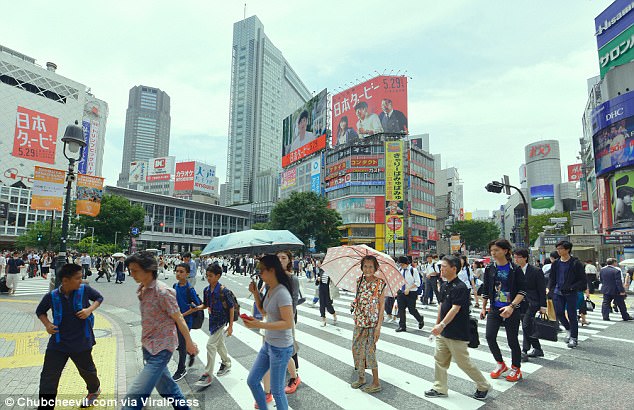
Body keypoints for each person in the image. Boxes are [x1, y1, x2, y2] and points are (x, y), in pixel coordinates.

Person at [122, 251, 198, 410]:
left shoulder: (163, 291)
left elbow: (179, 318)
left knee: (135, 396)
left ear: (148, 270)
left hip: (162, 348)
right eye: (130, 270)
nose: (131, 274)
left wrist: (189, 343)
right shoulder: (141, 290)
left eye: (135, 270)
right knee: (168, 390)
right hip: (148, 346)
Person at [36, 263, 103, 409]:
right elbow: (40, 311)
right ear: (65, 281)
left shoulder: (84, 290)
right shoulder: (52, 296)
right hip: (58, 343)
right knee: (49, 377)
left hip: (81, 341)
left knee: (88, 371)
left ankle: (94, 390)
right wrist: (47, 324)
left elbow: (99, 298)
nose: (81, 280)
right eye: (78, 278)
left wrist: (89, 310)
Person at [425, 255, 491, 401]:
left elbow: (455, 309)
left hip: (457, 332)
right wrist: (437, 325)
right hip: (443, 331)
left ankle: (483, 385)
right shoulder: (444, 284)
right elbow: (441, 306)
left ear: (454, 269)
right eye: (440, 267)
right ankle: (439, 387)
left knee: (463, 362)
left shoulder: (461, 287)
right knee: (440, 360)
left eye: (444, 267)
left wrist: (441, 325)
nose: (440, 269)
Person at [246, 255, 295, 410]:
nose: (259, 273)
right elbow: (264, 311)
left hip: (280, 348)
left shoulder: (282, 292)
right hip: (268, 344)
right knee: (252, 380)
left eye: (261, 270)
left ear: (271, 270)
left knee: (277, 390)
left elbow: (288, 323)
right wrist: (255, 293)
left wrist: (259, 324)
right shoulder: (270, 288)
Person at [480, 239, 526, 382]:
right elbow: (487, 289)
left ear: (505, 251)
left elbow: (522, 291)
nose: (493, 253)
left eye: (496, 250)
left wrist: (511, 306)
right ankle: (500, 364)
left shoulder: (515, 269)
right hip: (495, 307)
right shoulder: (490, 268)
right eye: (492, 250)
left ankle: (516, 368)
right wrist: (483, 307)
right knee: (489, 336)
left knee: (512, 340)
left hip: (512, 309)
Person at [193, 263, 234, 387]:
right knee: (219, 344)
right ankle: (226, 363)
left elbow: (231, 308)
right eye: (207, 276)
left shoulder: (223, 290)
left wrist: (231, 326)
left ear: (218, 276)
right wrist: (196, 308)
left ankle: (208, 374)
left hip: (221, 321)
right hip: (212, 321)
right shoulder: (206, 290)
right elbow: (206, 305)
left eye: (210, 276)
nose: (208, 278)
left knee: (210, 345)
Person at [350, 255, 386, 393]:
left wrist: (378, 327)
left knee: (370, 351)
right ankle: (361, 377)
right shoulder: (359, 281)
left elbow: (382, 305)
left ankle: (376, 382)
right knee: (356, 349)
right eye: (365, 266)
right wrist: (354, 303)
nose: (368, 269)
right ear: (361, 267)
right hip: (359, 321)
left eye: (371, 266)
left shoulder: (380, 283)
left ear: (376, 268)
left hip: (372, 323)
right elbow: (358, 298)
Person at [546, 240, 587, 348]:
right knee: (559, 313)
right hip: (557, 292)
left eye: (561, 249)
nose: (558, 251)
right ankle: (568, 329)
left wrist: (572, 287)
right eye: (557, 249)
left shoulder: (576, 263)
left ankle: (574, 338)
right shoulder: (556, 263)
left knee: (572, 315)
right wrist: (549, 288)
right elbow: (552, 278)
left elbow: (582, 279)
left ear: (567, 249)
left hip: (571, 292)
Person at [513, 248, 547, 362]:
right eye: (515, 257)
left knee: (526, 325)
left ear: (525, 258)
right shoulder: (514, 271)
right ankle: (537, 348)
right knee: (528, 326)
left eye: (519, 257)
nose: (516, 259)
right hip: (519, 302)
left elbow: (541, 289)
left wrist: (543, 305)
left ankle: (524, 350)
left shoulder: (535, 271)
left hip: (532, 302)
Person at [172, 263, 202, 381]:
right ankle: (193, 351)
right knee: (181, 343)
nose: (178, 274)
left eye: (181, 272)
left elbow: (197, 306)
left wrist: (182, 315)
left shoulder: (190, 289)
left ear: (187, 274)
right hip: (177, 319)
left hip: (186, 321)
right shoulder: (175, 286)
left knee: (182, 345)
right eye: (177, 271)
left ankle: (181, 369)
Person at [277, 251, 301, 394]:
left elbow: (294, 300)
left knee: (288, 342)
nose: (280, 260)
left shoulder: (292, 278)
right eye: (278, 258)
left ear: (289, 261)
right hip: (274, 316)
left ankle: (294, 375)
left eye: (284, 258)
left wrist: (288, 319)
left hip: (287, 317)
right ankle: (291, 369)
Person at [395, 256, 425, 332]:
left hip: (411, 293)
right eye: (400, 264)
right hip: (401, 293)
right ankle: (402, 326)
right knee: (401, 309)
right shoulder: (400, 270)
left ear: (406, 263)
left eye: (402, 264)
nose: (401, 266)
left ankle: (420, 319)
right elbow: (399, 281)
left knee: (411, 310)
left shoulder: (413, 270)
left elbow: (417, 283)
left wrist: (409, 288)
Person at [315, 262, 338, 326]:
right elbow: (316, 283)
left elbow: (334, 281)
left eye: (319, 263)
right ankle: (323, 320)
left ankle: (334, 315)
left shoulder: (330, 271)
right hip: (321, 289)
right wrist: (317, 280)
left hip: (328, 290)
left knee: (328, 305)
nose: (318, 265)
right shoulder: (320, 271)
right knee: (321, 305)